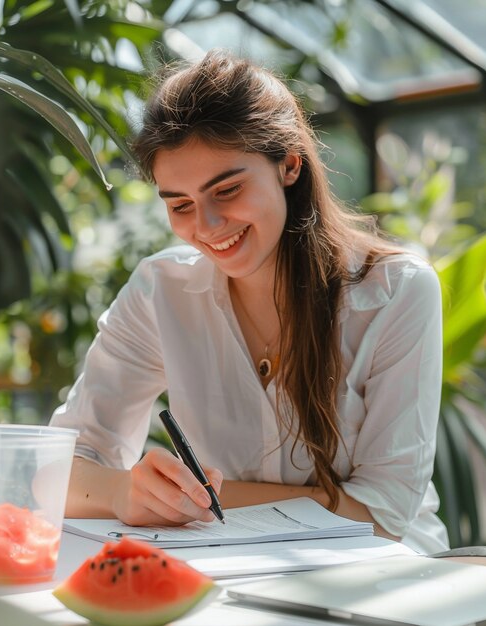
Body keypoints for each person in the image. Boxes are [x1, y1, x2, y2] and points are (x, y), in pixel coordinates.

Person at [50, 49, 449, 554]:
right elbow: (59, 466)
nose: (207, 226)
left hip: (386, 575)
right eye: (180, 205)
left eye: (228, 189)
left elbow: (381, 514)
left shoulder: (395, 292)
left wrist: (203, 498)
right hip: (234, 568)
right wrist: (122, 490)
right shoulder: (160, 291)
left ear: (289, 165)